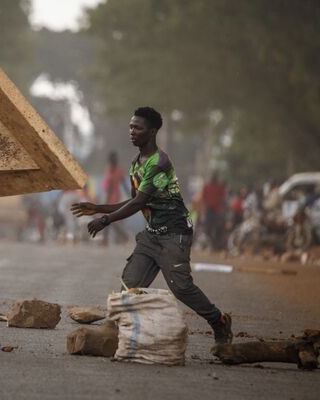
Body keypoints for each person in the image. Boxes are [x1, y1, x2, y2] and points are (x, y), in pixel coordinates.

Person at [71, 106, 233, 346]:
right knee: (130, 286)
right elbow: (137, 199)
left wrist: (105, 219)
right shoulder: (137, 163)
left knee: (182, 288)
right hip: (152, 235)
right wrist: (98, 208)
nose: (132, 131)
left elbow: (139, 201)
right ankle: (116, 332)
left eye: (138, 127)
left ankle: (218, 321)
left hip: (174, 234)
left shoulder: (160, 163)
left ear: (153, 131)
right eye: (130, 126)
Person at [102, 151, 129, 246]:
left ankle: (106, 240)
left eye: (115, 159)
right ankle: (123, 236)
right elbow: (107, 186)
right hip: (110, 196)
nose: (114, 161)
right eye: (112, 159)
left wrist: (130, 195)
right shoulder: (108, 169)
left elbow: (124, 183)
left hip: (113, 197)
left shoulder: (118, 170)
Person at [201, 172, 226, 250]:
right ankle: (212, 243)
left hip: (217, 210)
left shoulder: (219, 186)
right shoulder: (207, 186)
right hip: (210, 210)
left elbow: (223, 197)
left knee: (218, 227)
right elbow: (203, 198)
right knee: (208, 228)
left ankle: (216, 244)